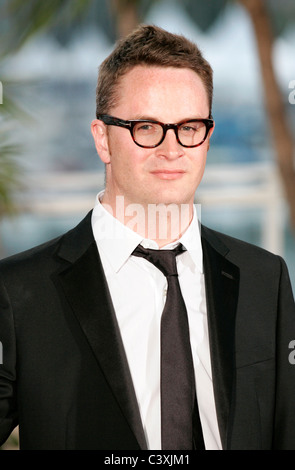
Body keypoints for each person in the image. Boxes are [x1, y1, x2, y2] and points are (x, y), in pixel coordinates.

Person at [0, 24, 295, 451]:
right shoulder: (18, 292)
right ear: (103, 139)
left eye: (189, 127)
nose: (171, 148)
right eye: (146, 126)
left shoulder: (265, 278)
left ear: (207, 137)